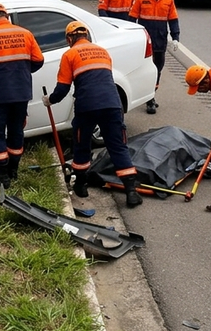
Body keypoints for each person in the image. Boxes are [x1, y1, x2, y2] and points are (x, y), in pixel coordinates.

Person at [43, 22, 142, 207]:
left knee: (82, 144)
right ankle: (131, 191)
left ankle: (81, 185)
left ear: (69, 38)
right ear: (87, 35)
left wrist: (50, 100)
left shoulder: (70, 54)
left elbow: (63, 87)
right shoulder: (102, 52)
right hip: (112, 104)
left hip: (87, 105)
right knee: (118, 146)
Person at [0, 2, 45, 188]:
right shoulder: (25, 33)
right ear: (6, 16)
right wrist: (22, 71)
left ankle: (2, 177)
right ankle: (13, 170)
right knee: (16, 131)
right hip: (22, 92)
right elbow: (39, 60)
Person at [130, 0, 179, 114]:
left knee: (158, 68)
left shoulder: (168, 0)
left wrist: (175, 37)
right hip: (144, 41)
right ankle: (148, 98)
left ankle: (151, 94)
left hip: (160, 40)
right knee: (144, 68)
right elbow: (132, 18)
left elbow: (173, 20)